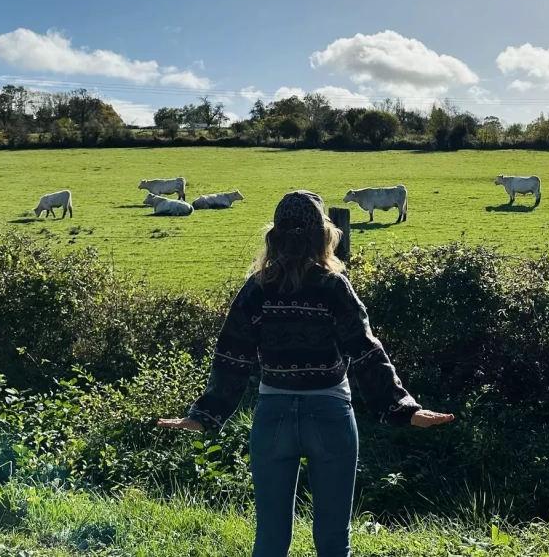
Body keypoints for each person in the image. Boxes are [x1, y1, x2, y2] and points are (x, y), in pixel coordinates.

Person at [157, 190, 453, 557]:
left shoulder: (257, 288)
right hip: (330, 416)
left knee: (269, 540)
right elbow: (365, 350)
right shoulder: (333, 286)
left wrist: (205, 414)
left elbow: (232, 354)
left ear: (275, 235)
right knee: (333, 542)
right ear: (323, 235)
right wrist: (403, 409)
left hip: (273, 418)